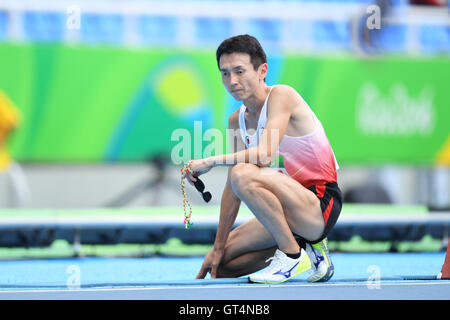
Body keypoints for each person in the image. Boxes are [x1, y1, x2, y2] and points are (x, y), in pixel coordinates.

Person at [182, 35, 342, 284]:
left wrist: (209, 161)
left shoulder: (282, 96)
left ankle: (291, 254)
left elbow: (264, 155)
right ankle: (302, 247)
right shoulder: (236, 120)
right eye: (225, 73)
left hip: (318, 205)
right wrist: (217, 246)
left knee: (241, 172)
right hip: (284, 210)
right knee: (222, 265)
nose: (232, 81)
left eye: (239, 71)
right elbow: (232, 189)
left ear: (262, 70)